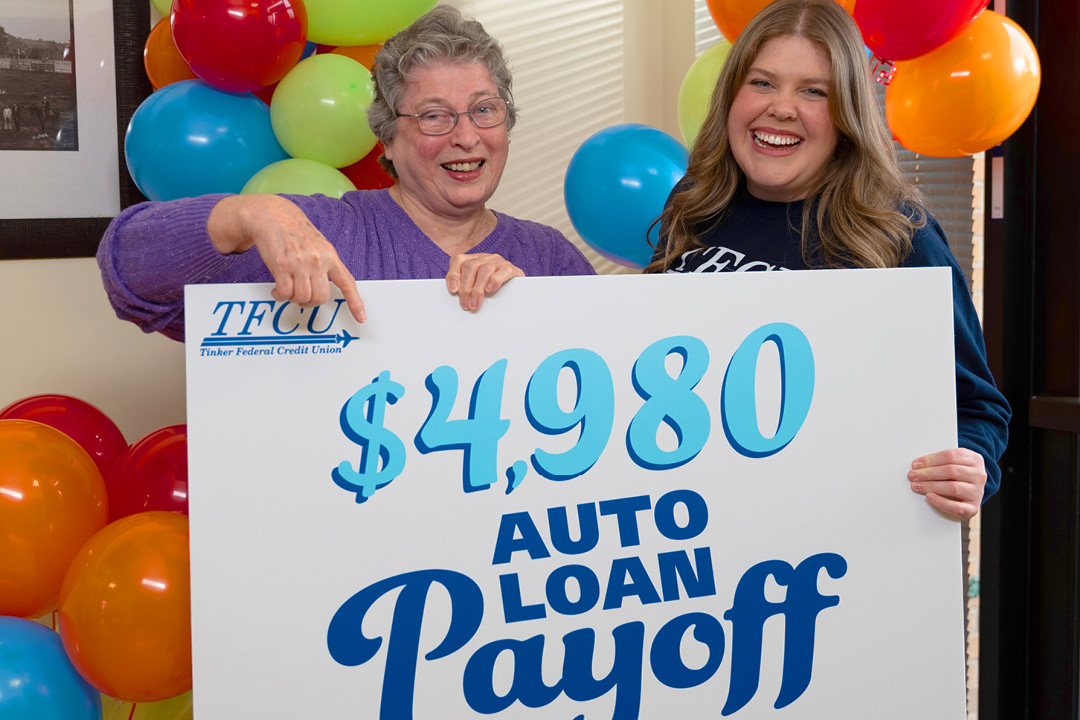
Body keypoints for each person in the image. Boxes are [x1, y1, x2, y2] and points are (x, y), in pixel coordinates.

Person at [645, 0, 1010, 522]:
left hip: (832, 548)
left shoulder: (898, 234)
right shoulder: (695, 204)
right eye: (762, 82)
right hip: (697, 524)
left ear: (845, 116)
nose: (782, 108)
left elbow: (977, 407)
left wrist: (970, 464)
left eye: (814, 91)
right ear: (730, 97)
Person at [98, 6, 594, 342]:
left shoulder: (549, 256)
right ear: (388, 139)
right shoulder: (318, 233)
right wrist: (252, 213)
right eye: (434, 116)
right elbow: (128, 275)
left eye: (484, 109)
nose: (466, 136)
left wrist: (534, 308)